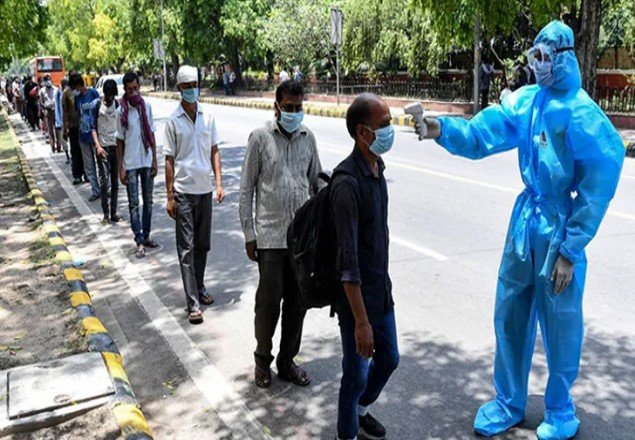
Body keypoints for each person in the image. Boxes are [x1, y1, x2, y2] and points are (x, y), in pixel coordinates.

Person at [416, 21, 624, 440]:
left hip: (559, 228)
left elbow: (602, 176)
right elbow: (482, 133)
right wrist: (440, 129)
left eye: (546, 58)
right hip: (525, 224)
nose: (540, 65)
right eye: (536, 57)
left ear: (564, 58)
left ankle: (561, 409)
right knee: (510, 313)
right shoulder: (528, 101)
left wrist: (571, 247)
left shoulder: (582, 112)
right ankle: (508, 402)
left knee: (561, 323)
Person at [239, 79, 322, 389]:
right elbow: (246, 187)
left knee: (298, 303)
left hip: (301, 241)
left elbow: (316, 181)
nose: (294, 113)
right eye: (288, 108)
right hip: (270, 237)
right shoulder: (260, 138)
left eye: (299, 108)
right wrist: (249, 232)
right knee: (269, 302)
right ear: (276, 107)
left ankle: (287, 361)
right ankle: (263, 359)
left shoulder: (308, 138)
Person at [330, 93, 399, 440]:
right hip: (356, 301)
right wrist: (360, 322)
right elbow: (348, 261)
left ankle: (360, 411)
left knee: (389, 359)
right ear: (362, 133)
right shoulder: (346, 183)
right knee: (355, 376)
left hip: (380, 292)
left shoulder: (377, 168)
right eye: (384, 125)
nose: (391, 130)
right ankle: (347, 433)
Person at [164, 65, 225, 324]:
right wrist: (169, 196)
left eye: (194, 85)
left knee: (202, 246)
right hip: (183, 192)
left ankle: (198, 286)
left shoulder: (208, 116)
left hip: (205, 190)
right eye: (186, 86)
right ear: (179, 88)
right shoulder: (172, 121)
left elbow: (214, 151)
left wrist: (219, 183)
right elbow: (168, 159)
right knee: (186, 249)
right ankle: (192, 303)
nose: (191, 90)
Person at [116, 71, 158, 259]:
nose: (133, 92)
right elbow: (119, 141)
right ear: (124, 90)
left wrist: (155, 159)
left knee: (148, 202)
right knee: (134, 204)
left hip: (147, 160)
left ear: (139, 87)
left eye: (135, 88)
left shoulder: (146, 106)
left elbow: (153, 134)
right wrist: (121, 167)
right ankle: (139, 239)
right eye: (129, 89)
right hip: (131, 163)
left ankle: (147, 236)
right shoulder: (121, 112)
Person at [91, 79, 122, 224]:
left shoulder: (118, 105)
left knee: (115, 183)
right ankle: (106, 214)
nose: (111, 99)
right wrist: (98, 146)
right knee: (104, 183)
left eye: (113, 96)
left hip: (115, 148)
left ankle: (114, 212)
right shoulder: (96, 106)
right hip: (103, 149)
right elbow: (92, 128)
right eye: (109, 96)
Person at [70, 73, 101, 201]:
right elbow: (78, 114)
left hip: (95, 135)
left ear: (78, 85)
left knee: (101, 163)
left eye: (74, 88)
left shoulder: (93, 93)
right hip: (83, 135)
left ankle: (106, 188)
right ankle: (95, 190)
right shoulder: (77, 99)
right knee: (89, 166)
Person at [63, 72, 85, 185]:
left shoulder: (82, 91)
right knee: (75, 151)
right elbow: (65, 112)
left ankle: (86, 173)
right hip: (73, 126)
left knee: (84, 150)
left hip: (83, 126)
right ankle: (77, 174)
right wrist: (65, 128)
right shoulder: (66, 93)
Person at [40, 74, 62, 153]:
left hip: (56, 112)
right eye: (46, 80)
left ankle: (59, 146)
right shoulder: (42, 91)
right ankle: (53, 147)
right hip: (48, 112)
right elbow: (41, 103)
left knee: (57, 130)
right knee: (50, 131)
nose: (48, 81)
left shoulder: (56, 89)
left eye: (48, 79)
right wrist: (43, 111)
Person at [55, 78, 70, 163]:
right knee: (64, 141)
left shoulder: (71, 93)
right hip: (62, 121)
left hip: (70, 121)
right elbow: (57, 107)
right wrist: (59, 121)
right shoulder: (58, 93)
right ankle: (68, 156)